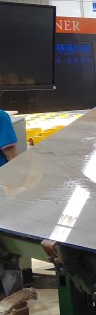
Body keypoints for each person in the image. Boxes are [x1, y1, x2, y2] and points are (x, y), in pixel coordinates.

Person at [0, 109, 22, 297]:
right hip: (2, 192)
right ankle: (14, 301)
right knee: (8, 248)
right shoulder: (1, 117)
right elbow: (12, 157)